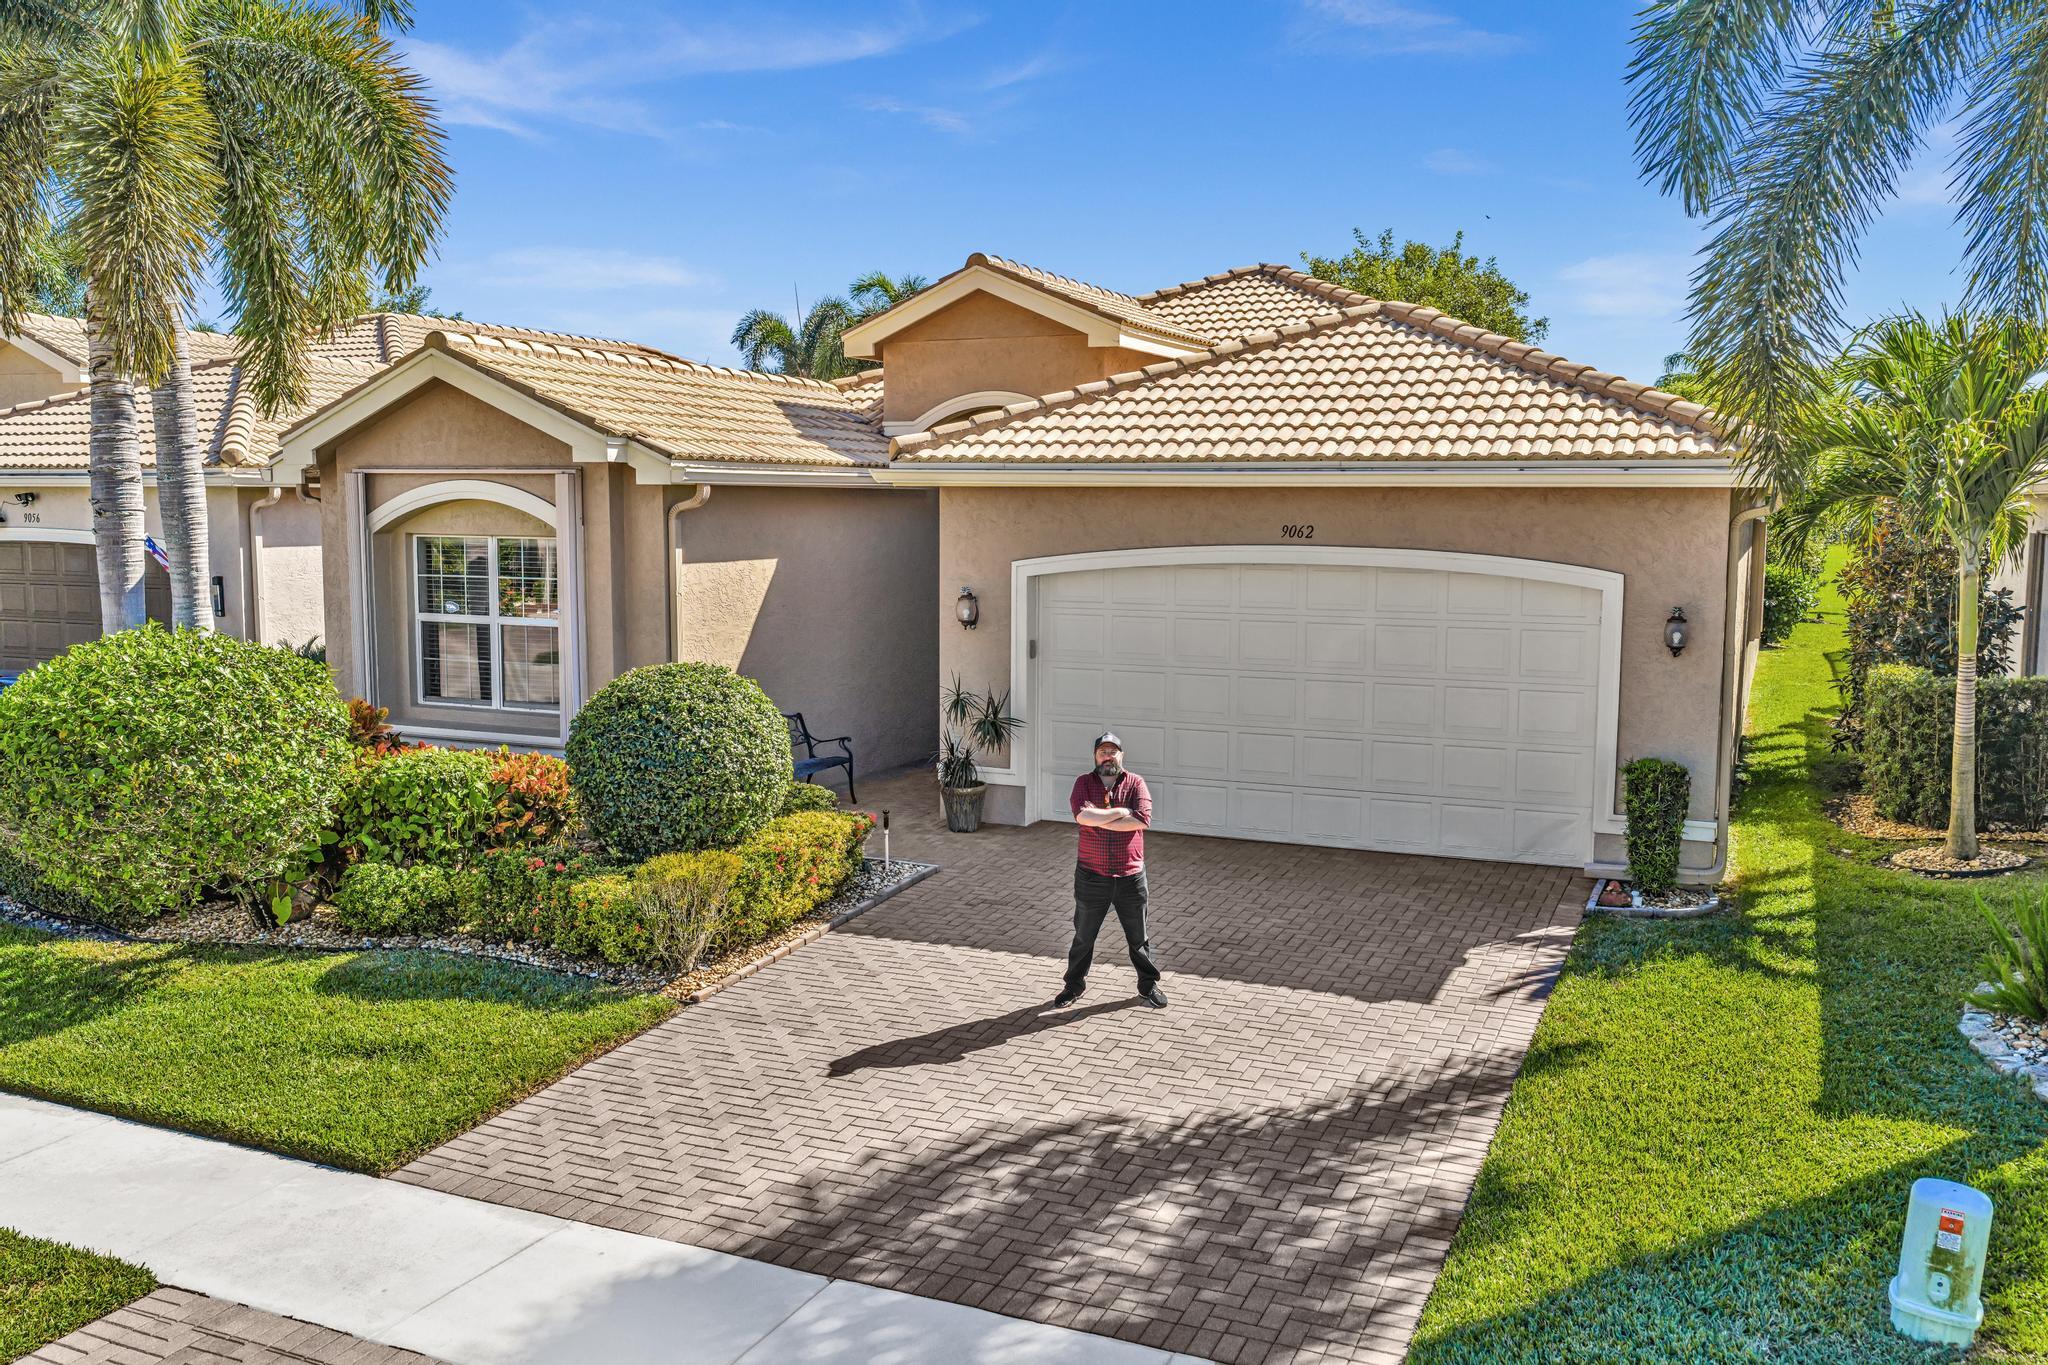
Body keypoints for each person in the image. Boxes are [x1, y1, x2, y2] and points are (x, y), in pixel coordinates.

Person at [1055, 732, 1167, 1010]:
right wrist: (1121, 812)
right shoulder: (1083, 783)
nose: (1108, 756)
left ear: (1121, 756)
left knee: (1138, 937)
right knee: (1083, 936)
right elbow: (1082, 816)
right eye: (1103, 751)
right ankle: (1073, 986)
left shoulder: (1136, 783)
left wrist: (1100, 818)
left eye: (1113, 752)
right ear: (1095, 756)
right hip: (1092, 876)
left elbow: (1142, 820)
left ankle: (1148, 985)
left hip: (1131, 877)